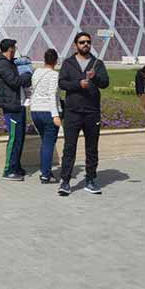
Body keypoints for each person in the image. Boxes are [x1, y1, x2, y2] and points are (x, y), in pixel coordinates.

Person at [57, 32, 109, 195]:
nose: (85, 44)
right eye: (82, 42)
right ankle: (65, 181)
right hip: (73, 112)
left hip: (92, 112)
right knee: (69, 148)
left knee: (92, 148)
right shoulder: (68, 63)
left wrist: (95, 78)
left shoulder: (97, 63)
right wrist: (78, 84)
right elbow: (62, 83)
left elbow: (105, 83)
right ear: (76, 45)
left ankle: (91, 179)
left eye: (88, 42)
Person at [0, 38, 33, 181]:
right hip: (11, 107)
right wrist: (27, 76)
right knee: (14, 138)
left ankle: (16, 166)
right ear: (10, 49)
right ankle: (8, 169)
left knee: (20, 137)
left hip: (18, 104)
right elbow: (14, 82)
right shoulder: (3, 65)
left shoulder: (9, 63)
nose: (15, 50)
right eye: (14, 47)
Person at [30, 48, 62, 184]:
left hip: (35, 111)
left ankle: (45, 170)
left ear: (44, 59)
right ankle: (46, 174)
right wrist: (56, 115)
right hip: (48, 112)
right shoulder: (54, 75)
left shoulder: (36, 72)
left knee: (45, 142)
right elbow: (51, 95)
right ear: (56, 61)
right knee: (49, 144)